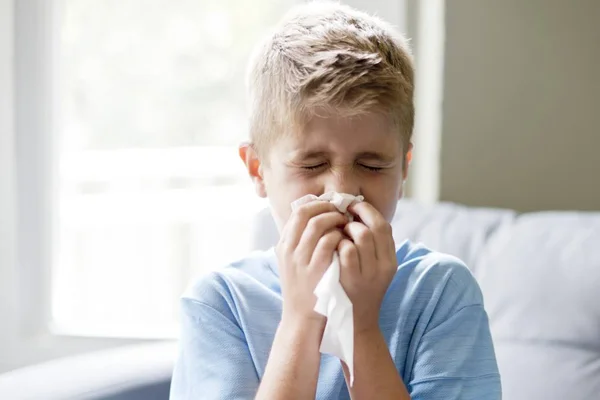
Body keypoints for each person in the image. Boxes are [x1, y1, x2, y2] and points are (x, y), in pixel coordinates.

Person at [170, 2, 501, 399]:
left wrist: (361, 327)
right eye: (312, 164)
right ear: (258, 169)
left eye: (372, 165)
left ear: (403, 170)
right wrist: (300, 317)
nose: (341, 191)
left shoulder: (442, 292)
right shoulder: (221, 303)